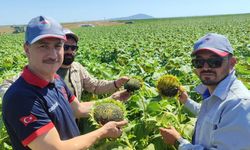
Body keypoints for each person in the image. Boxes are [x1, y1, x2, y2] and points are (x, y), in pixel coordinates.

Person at [2, 16, 128, 150]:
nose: (53, 55)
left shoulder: (56, 80)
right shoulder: (20, 98)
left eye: (58, 46)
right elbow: (55, 148)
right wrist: (103, 132)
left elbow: (78, 109)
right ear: (27, 49)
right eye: (43, 46)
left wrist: (111, 100)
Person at [160, 33, 250, 149]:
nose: (206, 67)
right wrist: (186, 101)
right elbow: (211, 116)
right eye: (199, 62)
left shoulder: (239, 104)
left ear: (232, 63)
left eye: (215, 62)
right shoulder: (216, 93)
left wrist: (178, 142)